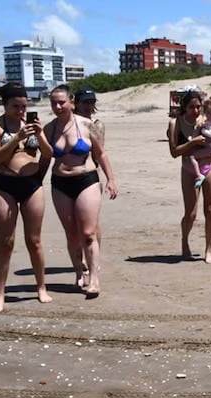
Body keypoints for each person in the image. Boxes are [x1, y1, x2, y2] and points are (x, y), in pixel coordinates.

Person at [0, 82, 54, 312]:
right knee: (6, 242)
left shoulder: (30, 123)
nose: (21, 111)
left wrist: (40, 135)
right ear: (5, 105)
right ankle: (0, 295)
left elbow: (48, 154)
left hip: (31, 184)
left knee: (34, 241)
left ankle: (41, 287)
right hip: (4, 185)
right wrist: (16, 138)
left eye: (24, 106)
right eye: (16, 106)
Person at [45, 85, 118, 297]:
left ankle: (94, 278)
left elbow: (101, 154)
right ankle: (79, 272)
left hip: (86, 179)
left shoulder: (87, 125)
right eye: (54, 103)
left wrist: (111, 179)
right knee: (72, 234)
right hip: (60, 183)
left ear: (70, 102)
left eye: (62, 102)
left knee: (88, 233)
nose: (58, 106)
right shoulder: (49, 129)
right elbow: (41, 157)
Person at [168, 90, 211, 264]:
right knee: (191, 213)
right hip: (189, 167)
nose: (195, 111)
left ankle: (208, 250)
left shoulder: (207, 119)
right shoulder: (175, 123)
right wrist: (192, 142)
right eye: (191, 107)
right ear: (184, 108)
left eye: (198, 107)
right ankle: (184, 241)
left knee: (210, 209)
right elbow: (174, 152)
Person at [72, 86, 119, 281]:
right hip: (70, 178)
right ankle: (79, 262)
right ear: (76, 103)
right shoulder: (68, 123)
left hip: (91, 175)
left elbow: (100, 152)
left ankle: (93, 259)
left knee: (92, 223)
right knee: (74, 225)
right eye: (85, 103)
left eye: (92, 103)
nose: (89, 107)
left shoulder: (96, 125)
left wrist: (108, 178)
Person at [185, 96, 211, 189]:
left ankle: (199, 175)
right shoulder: (210, 120)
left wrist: (202, 130)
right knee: (205, 160)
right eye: (208, 113)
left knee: (193, 157)